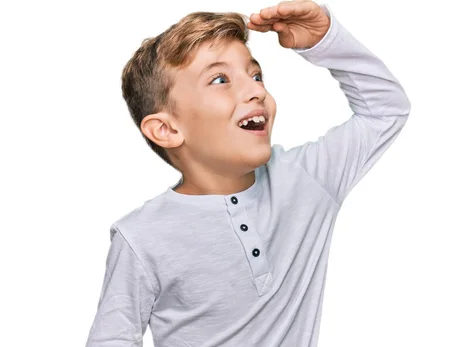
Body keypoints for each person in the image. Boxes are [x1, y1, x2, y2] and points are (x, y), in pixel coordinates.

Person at [84, 1, 411, 346]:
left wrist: (326, 40)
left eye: (256, 75)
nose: (257, 90)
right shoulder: (140, 235)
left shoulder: (307, 180)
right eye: (220, 79)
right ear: (166, 130)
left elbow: (385, 112)